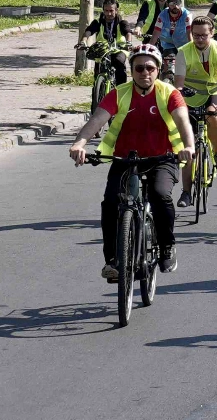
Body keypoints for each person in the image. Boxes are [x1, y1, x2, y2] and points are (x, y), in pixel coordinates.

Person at [68, 44, 194, 281]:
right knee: (111, 203)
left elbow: (183, 121)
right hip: (125, 159)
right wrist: (79, 143)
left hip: (163, 158)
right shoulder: (120, 93)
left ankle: (167, 246)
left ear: (158, 70)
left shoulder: (169, 94)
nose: (145, 73)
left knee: (160, 194)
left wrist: (189, 147)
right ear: (131, 71)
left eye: (150, 68)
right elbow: (97, 120)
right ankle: (113, 261)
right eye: (139, 68)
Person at [177, 16, 217, 187]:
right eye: (196, 35)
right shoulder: (183, 52)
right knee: (189, 145)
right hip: (190, 95)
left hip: (213, 93)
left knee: (213, 115)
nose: (199, 39)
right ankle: (186, 192)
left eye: (204, 35)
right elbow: (178, 86)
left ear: (212, 33)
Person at [82, 0, 135, 87]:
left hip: (119, 49)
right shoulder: (98, 22)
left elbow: (128, 33)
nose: (109, 13)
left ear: (116, 10)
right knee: (98, 70)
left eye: (111, 11)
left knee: (119, 63)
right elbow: (89, 31)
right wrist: (83, 41)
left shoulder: (122, 22)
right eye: (106, 11)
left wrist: (128, 43)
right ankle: (97, 91)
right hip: (103, 49)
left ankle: (121, 89)